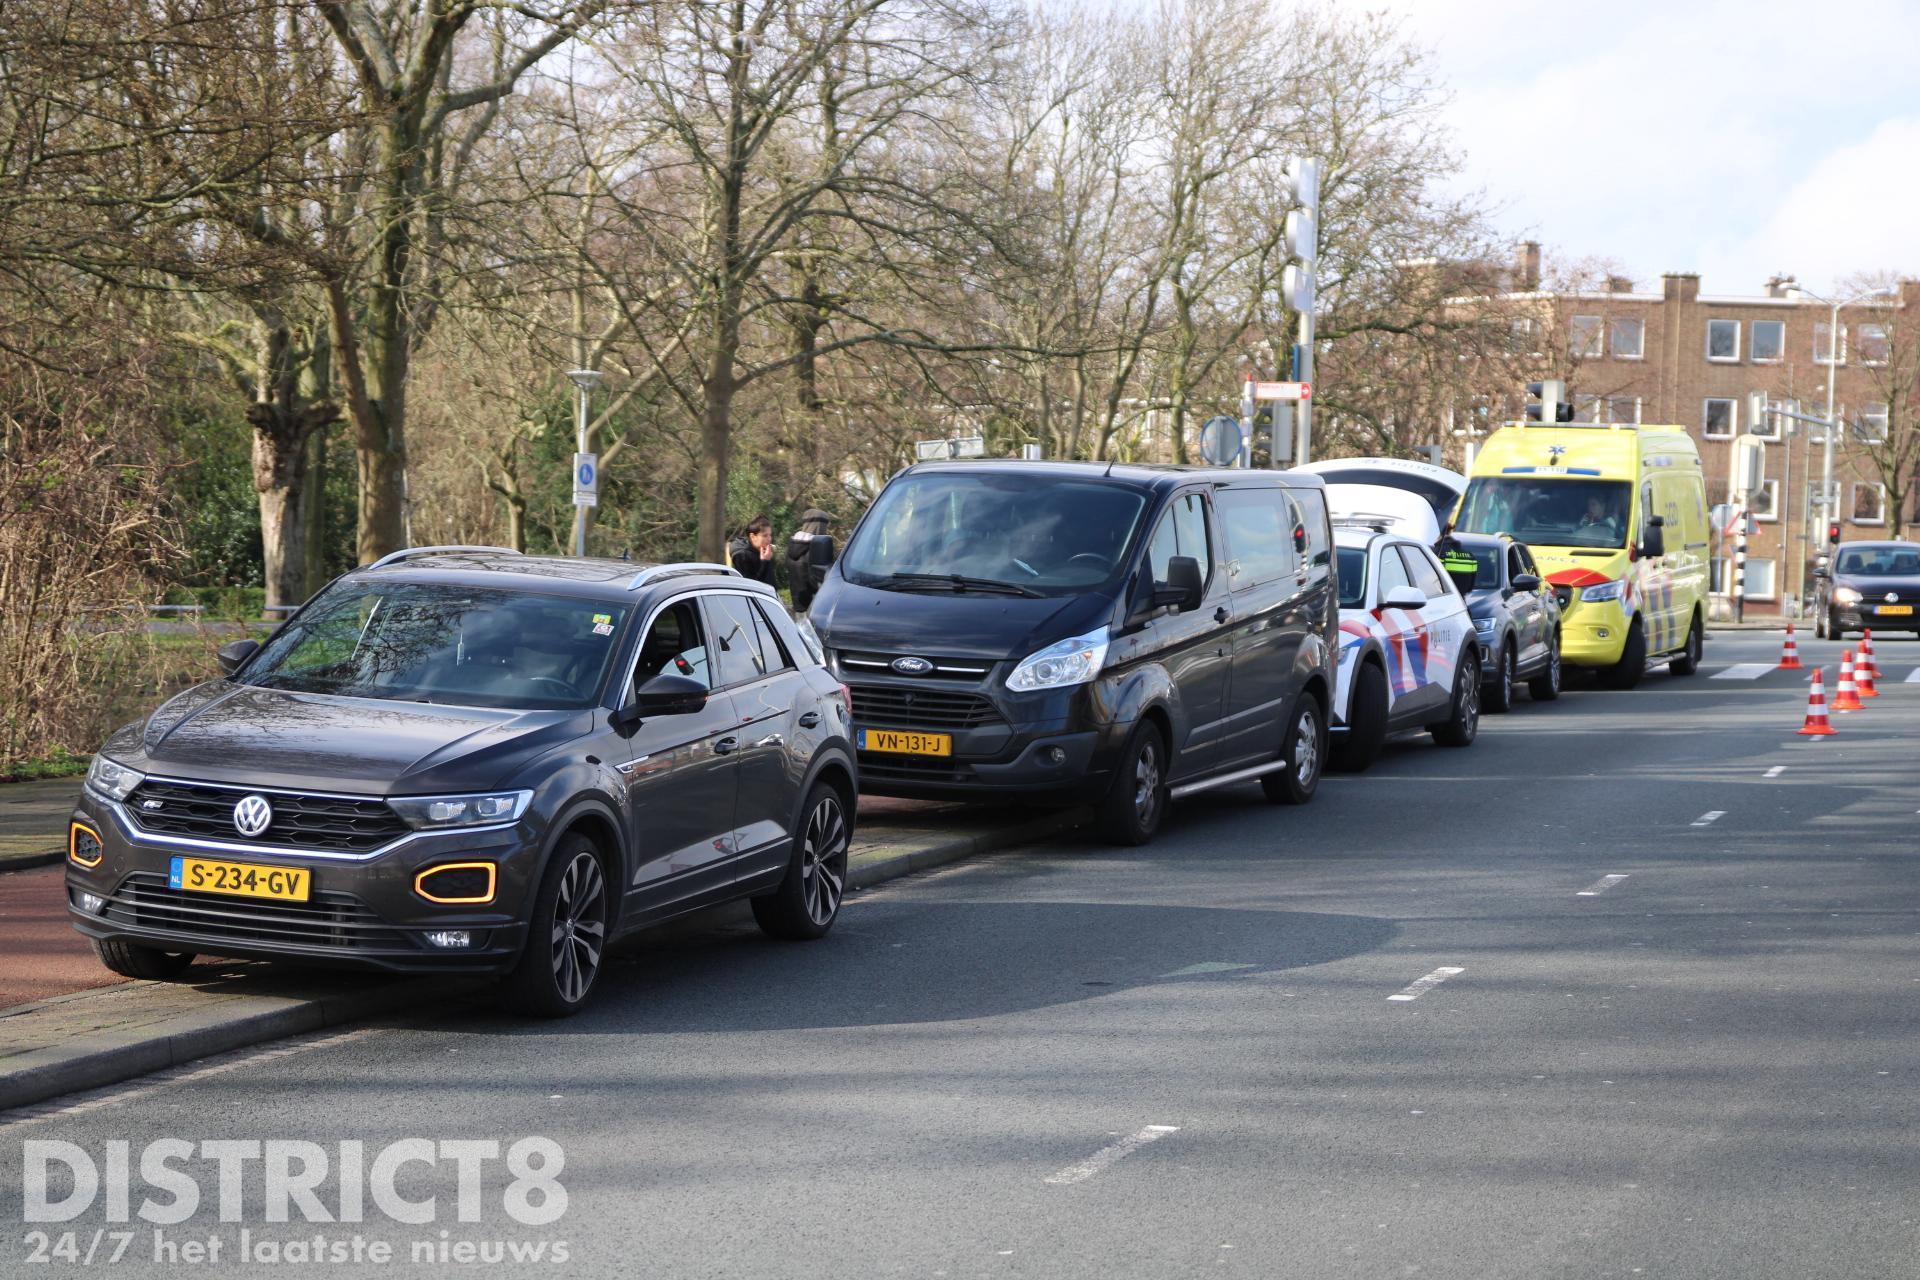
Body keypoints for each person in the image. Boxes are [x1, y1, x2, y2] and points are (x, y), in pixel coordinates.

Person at [784, 508, 833, 612]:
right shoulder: (817, 550)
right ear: (820, 525)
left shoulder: (791, 546)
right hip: (814, 608)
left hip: (797, 605)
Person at [729, 515, 778, 587]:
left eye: (770, 535)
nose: (769, 539)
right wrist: (765, 561)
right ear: (752, 536)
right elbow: (752, 586)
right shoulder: (742, 555)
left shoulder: (762, 550)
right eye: (765, 535)